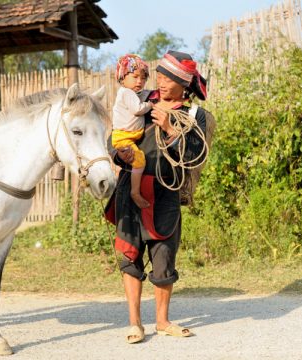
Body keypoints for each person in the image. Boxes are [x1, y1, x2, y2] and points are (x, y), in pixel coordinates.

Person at [105, 50, 209, 344]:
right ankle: (135, 323)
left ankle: (162, 321)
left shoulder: (194, 116)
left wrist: (169, 128)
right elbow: (115, 133)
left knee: (164, 258)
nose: (160, 83)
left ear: (183, 83)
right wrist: (117, 152)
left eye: (167, 78)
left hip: (165, 193)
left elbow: (195, 156)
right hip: (129, 187)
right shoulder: (140, 100)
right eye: (159, 76)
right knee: (130, 254)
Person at [111, 54, 153, 209]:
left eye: (143, 78)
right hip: (124, 138)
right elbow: (137, 109)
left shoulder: (133, 93)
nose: (139, 81)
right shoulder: (126, 93)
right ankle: (135, 192)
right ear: (123, 77)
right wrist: (150, 105)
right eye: (135, 77)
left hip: (126, 137)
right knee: (139, 161)